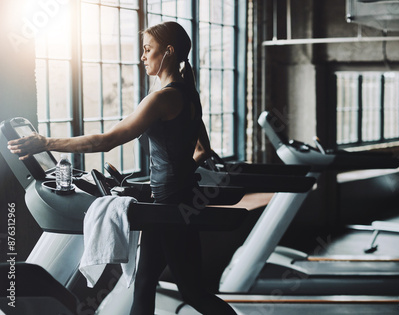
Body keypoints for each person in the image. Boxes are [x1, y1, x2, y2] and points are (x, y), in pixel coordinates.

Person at [7, 21, 237, 315]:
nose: (142, 56)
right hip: (174, 201)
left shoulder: (163, 98)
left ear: (168, 51)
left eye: (148, 49)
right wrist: (170, 180)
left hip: (169, 206)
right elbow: (202, 151)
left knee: (190, 291)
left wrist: (46, 142)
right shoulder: (190, 94)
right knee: (144, 285)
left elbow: (107, 140)